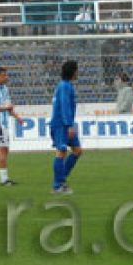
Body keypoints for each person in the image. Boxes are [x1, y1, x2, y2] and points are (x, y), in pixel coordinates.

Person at [49, 60, 83, 195]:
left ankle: (61, 180)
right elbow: (64, 106)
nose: (78, 72)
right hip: (60, 124)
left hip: (66, 123)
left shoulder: (67, 85)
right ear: (73, 71)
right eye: (76, 70)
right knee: (61, 151)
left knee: (77, 151)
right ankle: (57, 186)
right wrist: (69, 125)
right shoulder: (64, 86)